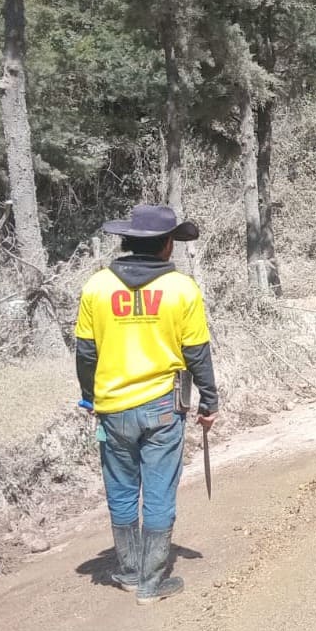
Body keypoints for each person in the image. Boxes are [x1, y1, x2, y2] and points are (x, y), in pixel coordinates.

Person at [74, 205, 219, 605]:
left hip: (113, 408)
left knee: (121, 491)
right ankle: (151, 583)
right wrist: (209, 400)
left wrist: (90, 396)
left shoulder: (97, 287)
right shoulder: (182, 290)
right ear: (167, 244)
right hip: (162, 408)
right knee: (158, 492)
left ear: (128, 240)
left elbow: (85, 352)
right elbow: (197, 352)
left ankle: (128, 571)